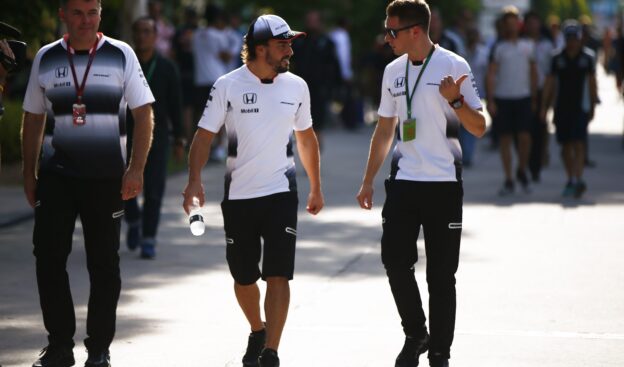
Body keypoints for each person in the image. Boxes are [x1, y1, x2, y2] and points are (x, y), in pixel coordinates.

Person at [182, 14, 323, 367]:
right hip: (239, 196)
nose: (289, 49)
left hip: (280, 192)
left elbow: (305, 138)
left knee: (279, 273)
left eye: (290, 43)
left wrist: (315, 187)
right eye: (282, 44)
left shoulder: (297, 86)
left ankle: (271, 352)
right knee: (244, 277)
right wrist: (194, 180)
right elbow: (203, 135)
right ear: (260, 49)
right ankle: (257, 329)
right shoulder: (227, 85)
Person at [21, 0, 155, 366]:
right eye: (77, 12)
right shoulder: (47, 57)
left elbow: (143, 115)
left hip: (105, 178)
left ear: (100, 15)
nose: (85, 20)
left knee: (104, 265)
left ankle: (99, 348)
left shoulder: (121, 54)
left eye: (92, 12)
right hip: (57, 177)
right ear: (62, 13)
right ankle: (60, 345)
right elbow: (33, 119)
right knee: (48, 259)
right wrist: (28, 174)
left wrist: (136, 168)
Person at [356, 1, 485, 366]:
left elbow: (479, 126)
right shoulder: (392, 71)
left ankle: (440, 352)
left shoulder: (453, 66)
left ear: (416, 30)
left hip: (444, 183)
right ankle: (416, 333)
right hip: (404, 182)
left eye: (392, 31)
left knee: (441, 276)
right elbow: (385, 129)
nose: (387, 38)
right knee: (395, 262)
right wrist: (368, 180)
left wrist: (456, 100)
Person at [126, 16, 184, 258]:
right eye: (138, 31)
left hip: (157, 136)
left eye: (148, 31)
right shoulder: (125, 64)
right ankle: (133, 219)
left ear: (155, 35)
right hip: (126, 134)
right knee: (124, 187)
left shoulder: (167, 67)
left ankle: (149, 237)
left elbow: (176, 106)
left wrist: (180, 139)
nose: (142, 36)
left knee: (154, 190)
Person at [540, 20, 598, 198]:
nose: (572, 41)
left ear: (580, 38)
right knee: (565, 145)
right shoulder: (557, 58)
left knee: (579, 143)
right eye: (569, 38)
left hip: (580, 107)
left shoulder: (587, 57)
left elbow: (592, 82)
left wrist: (593, 105)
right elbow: (550, 82)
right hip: (561, 107)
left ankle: (577, 178)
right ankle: (571, 177)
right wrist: (544, 106)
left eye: (575, 38)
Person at [486, 6, 537, 195]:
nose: (511, 26)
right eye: (508, 23)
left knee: (525, 138)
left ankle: (521, 169)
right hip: (503, 98)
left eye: (514, 22)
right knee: (505, 139)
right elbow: (491, 74)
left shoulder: (528, 45)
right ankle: (508, 178)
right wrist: (490, 100)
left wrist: (534, 96)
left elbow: (533, 72)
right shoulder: (498, 47)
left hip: (523, 97)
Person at [291, 10, 341, 148]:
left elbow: (335, 67)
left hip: (320, 90)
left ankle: (315, 154)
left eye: (314, 20)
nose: (311, 24)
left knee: (316, 124)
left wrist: (334, 88)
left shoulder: (328, 43)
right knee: (301, 124)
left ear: (320, 22)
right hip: (300, 89)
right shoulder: (298, 42)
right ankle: (308, 151)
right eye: (309, 20)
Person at [524, 10, 555, 182]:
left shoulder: (547, 45)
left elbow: (551, 73)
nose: (532, 26)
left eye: (535, 22)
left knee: (539, 130)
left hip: (542, 90)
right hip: (523, 91)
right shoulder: (520, 43)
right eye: (529, 22)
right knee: (523, 131)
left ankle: (535, 165)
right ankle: (525, 162)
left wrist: (548, 100)